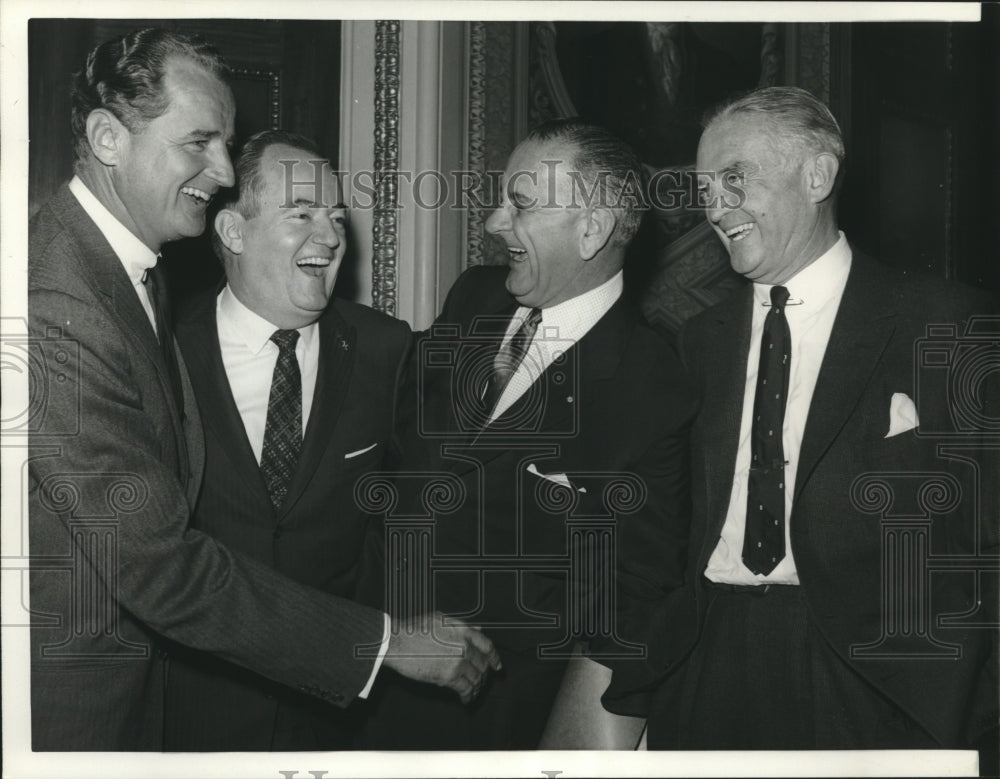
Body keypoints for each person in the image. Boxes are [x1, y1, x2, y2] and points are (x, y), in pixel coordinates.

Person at [27, 28, 498, 751]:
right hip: (91, 713)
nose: (220, 170)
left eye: (226, 145)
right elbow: (158, 566)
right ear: (107, 137)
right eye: (199, 142)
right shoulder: (61, 292)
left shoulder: (132, 281)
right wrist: (386, 644)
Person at [603, 86, 999, 765]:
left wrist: (966, 703)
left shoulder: (946, 323)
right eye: (704, 188)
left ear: (817, 175)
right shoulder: (694, 341)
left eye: (734, 179)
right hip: (709, 662)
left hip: (876, 680)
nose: (714, 207)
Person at [361, 118, 697, 749]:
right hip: (372, 673)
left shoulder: (654, 386)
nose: (493, 223)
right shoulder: (475, 298)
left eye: (518, 205)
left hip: (493, 712)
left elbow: (639, 592)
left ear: (592, 229)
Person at [159, 130, 410, 750]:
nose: (328, 236)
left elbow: (400, 526)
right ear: (234, 232)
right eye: (301, 214)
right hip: (186, 715)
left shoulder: (387, 349)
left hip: (333, 719)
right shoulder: (161, 350)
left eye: (335, 218)